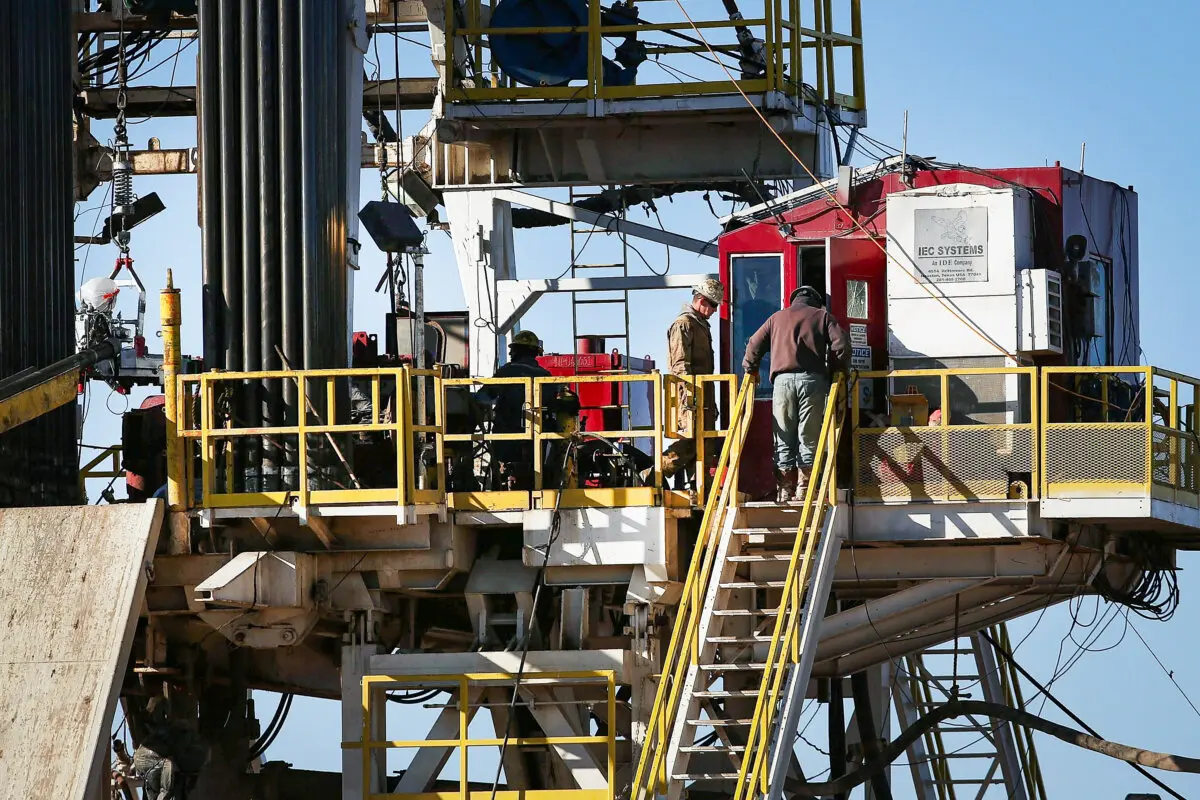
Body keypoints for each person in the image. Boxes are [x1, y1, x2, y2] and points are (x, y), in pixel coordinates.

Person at [742, 285, 849, 503]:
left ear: (794, 300)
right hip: (812, 381)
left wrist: (751, 369)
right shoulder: (822, 316)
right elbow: (842, 346)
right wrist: (837, 372)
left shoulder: (776, 318)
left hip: (781, 383)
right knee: (808, 436)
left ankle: (783, 490)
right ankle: (804, 489)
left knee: (782, 436)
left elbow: (753, 343)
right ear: (816, 301)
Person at [653, 278, 724, 487]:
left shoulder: (700, 325)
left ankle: (698, 490)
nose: (714, 310)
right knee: (690, 444)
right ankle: (651, 475)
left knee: (705, 445)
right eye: (712, 305)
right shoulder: (684, 324)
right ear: (701, 300)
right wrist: (688, 401)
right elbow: (680, 366)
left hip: (704, 398)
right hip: (690, 399)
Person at [478, 330, 551, 490]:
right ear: (535, 353)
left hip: (506, 439)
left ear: (516, 351)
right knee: (535, 476)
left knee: (502, 479)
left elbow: (483, 397)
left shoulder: (506, 372)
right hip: (536, 440)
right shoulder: (545, 375)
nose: (510, 353)